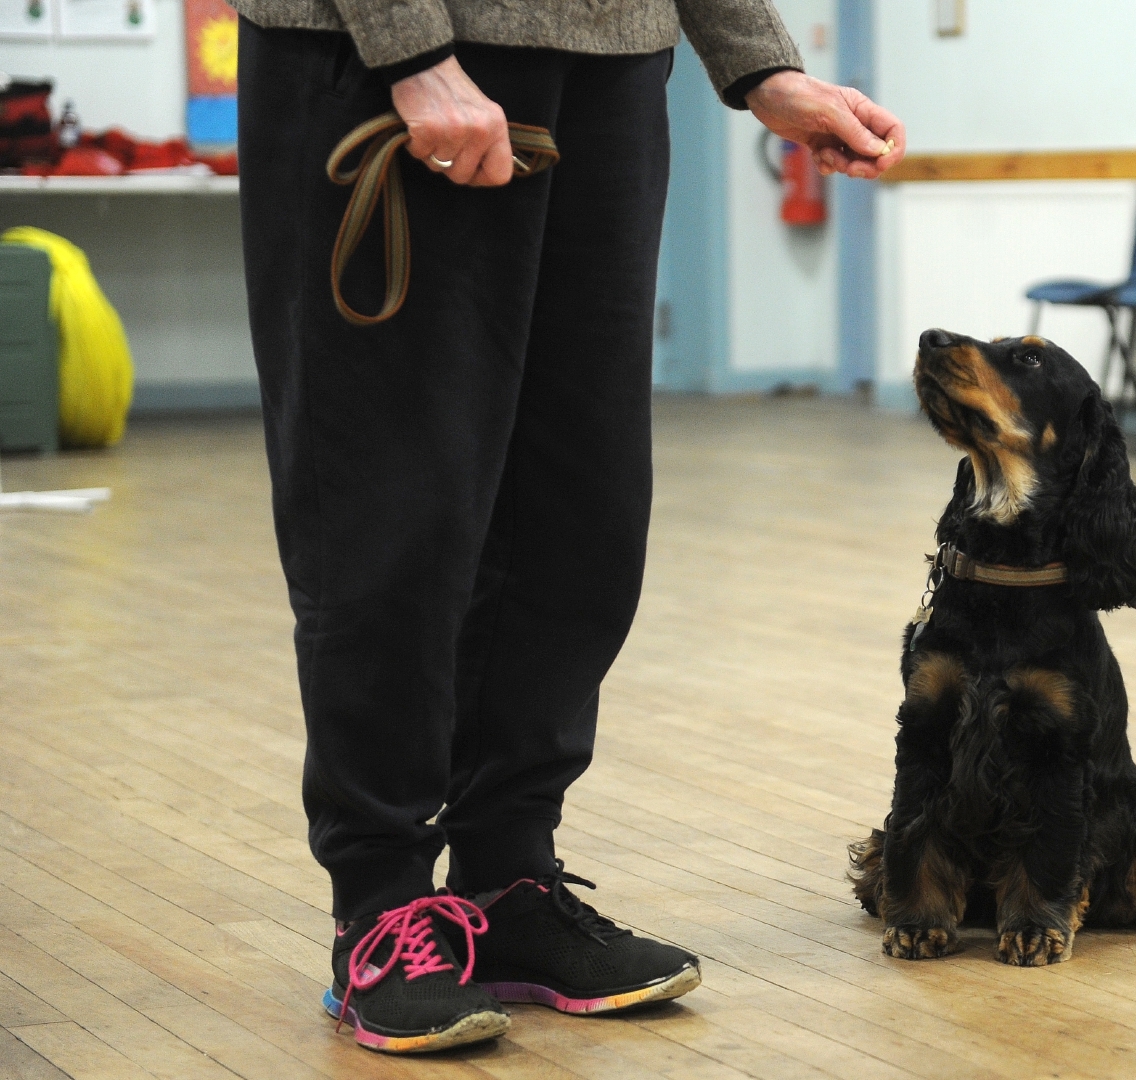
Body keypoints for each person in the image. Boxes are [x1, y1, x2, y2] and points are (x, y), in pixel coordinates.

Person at [228, 0, 905, 1055]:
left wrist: (758, 62)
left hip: (611, 68)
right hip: (378, 61)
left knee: (580, 509)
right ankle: (382, 901)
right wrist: (411, 51)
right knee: (391, 504)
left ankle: (507, 881)